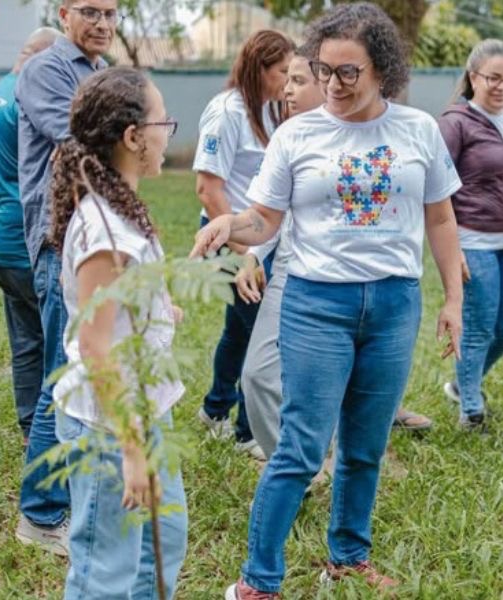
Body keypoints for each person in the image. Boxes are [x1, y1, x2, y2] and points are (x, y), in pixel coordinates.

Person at [191, 4, 464, 596]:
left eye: (349, 73)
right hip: (316, 305)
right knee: (300, 446)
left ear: (382, 71)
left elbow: (441, 218)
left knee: (365, 445)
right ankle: (256, 582)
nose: (333, 85)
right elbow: (264, 219)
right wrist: (228, 227)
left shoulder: (418, 130)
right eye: (323, 70)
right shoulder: (297, 134)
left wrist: (453, 300)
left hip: (394, 306)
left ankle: (347, 556)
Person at [240, 49, 433, 462]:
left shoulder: (400, 129)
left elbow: (434, 212)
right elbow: (267, 214)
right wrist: (253, 253)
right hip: (297, 272)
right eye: (289, 80)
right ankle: (298, 461)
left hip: (368, 287)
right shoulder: (291, 135)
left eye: (298, 80)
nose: (287, 90)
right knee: (257, 374)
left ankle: (339, 448)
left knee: (359, 387)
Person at [48, 66, 187, 600]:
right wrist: (131, 449)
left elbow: (124, 297)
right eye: (163, 122)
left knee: (162, 539)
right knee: (105, 569)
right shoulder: (104, 227)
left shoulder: (122, 205)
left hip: (147, 407)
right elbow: (94, 345)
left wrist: (159, 305)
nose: (166, 133)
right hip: (110, 424)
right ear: (133, 137)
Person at [15, 0, 116, 555]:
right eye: (90, 11)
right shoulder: (47, 70)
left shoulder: (96, 72)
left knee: (80, 370)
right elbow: (83, 144)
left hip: (92, 240)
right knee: (62, 379)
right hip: (60, 241)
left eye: (111, 12)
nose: (102, 22)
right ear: (63, 12)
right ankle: (40, 513)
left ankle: (67, 494)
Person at [192, 30, 294, 461]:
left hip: (258, 240)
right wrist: (243, 256)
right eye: (283, 72)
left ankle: (215, 409)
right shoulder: (227, 112)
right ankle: (247, 431)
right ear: (260, 69)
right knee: (261, 336)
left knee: (240, 329)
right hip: (229, 239)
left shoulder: (271, 110)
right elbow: (208, 189)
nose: (288, 81)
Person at [439, 39, 503, 430]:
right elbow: (438, 189)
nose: (501, 86)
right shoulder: (455, 123)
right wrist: (452, 250)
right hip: (470, 238)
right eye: (492, 78)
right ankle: (471, 410)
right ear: (473, 77)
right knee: (481, 324)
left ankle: (462, 382)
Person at [0, 27, 62, 444]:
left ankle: (30, 426)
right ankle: (52, 432)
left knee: (25, 340)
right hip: (26, 243)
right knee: (59, 344)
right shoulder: (30, 97)